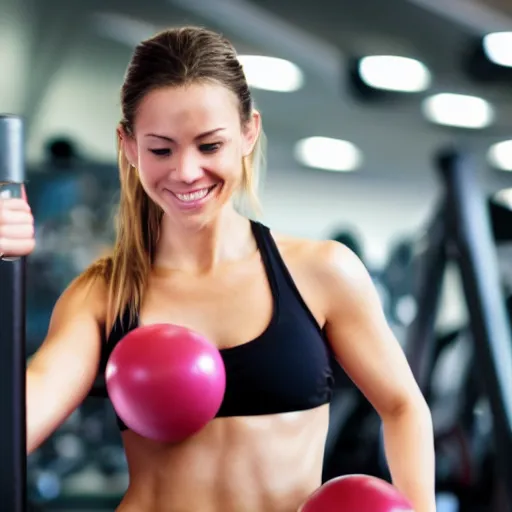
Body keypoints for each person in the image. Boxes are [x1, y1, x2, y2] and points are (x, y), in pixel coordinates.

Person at [0, 26, 435, 512]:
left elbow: (402, 407)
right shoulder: (104, 294)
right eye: (161, 149)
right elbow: (18, 423)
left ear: (249, 132)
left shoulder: (322, 272)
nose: (185, 171)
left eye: (209, 146)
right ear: (128, 145)